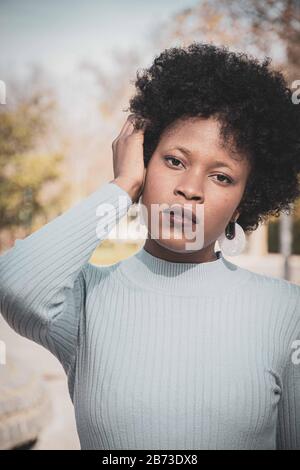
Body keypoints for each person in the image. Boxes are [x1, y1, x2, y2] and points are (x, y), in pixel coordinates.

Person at [0, 42, 300, 450]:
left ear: (242, 205)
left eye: (222, 177)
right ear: (143, 162)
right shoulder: (89, 298)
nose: (190, 189)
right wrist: (122, 188)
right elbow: (15, 284)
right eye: (174, 161)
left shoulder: (286, 312)